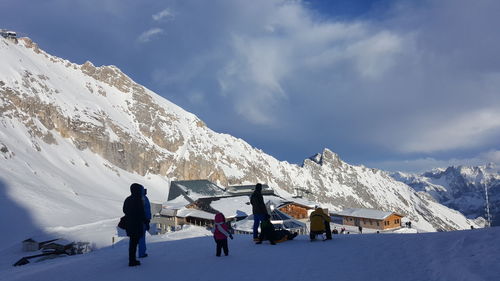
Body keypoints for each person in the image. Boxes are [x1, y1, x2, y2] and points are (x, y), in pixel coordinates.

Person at [123, 183, 147, 267]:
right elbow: (142, 213)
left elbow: (124, 210)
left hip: (129, 224)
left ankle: (132, 259)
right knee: (134, 242)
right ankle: (132, 261)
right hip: (136, 224)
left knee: (132, 242)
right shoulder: (138, 200)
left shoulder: (128, 199)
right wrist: (146, 222)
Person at [138, 187, 151, 258]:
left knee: (134, 238)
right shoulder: (144, 199)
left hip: (135, 220)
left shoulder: (133, 198)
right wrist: (147, 220)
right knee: (142, 237)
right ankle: (141, 253)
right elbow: (147, 210)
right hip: (143, 221)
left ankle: (133, 255)